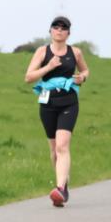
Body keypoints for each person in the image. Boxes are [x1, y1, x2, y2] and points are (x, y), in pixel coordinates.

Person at [24, 16, 91, 204]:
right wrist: (49, 66)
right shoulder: (42, 52)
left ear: (68, 33)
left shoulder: (75, 52)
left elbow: (85, 71)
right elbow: (29, 77)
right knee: (54, 150)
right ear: (50, 31)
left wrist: (82, 78)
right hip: (48, 103)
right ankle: (62, 185)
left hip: (69, 102)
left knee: (62, 145)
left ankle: (60, 189)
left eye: (63, 28)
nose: (59, 30)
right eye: (56, 27)